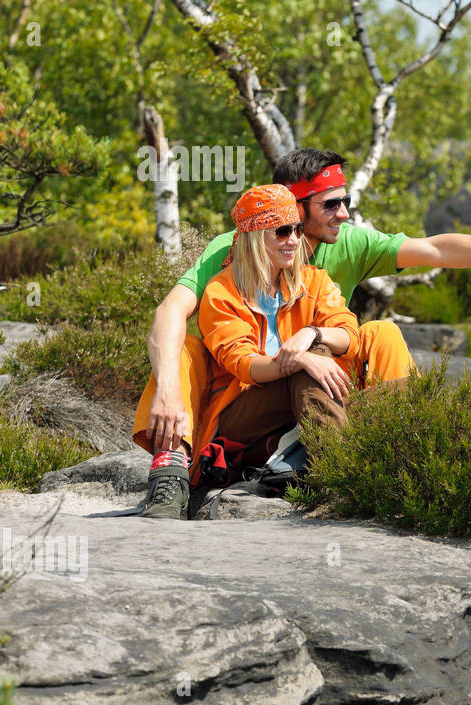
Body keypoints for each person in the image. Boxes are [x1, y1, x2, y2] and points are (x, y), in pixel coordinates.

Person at [133, 146, 471, 517]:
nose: (343, 214)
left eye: (345, 202)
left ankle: (400, 447)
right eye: (330, 204)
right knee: (183, 348)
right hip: (249, 389)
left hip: (318, 380)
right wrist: (168, 390)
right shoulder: (230, 258)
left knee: (381, 333)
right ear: (291, 204)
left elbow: (436, 248)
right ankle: (172, 468)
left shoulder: (339, 252)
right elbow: (172, 314)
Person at [142, 184, 360, 517]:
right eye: (282, 231)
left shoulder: (314, 281)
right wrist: (300, 358)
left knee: (395, 392)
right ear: (256, 237)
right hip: (240, 412)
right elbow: (244, 364)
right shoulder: (222, 291)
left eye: (299, 230)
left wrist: (311, 333)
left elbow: (349, 334)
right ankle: (343, 481)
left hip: (300, 410)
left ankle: (392, 470)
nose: (294, 239)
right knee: (312, 363)